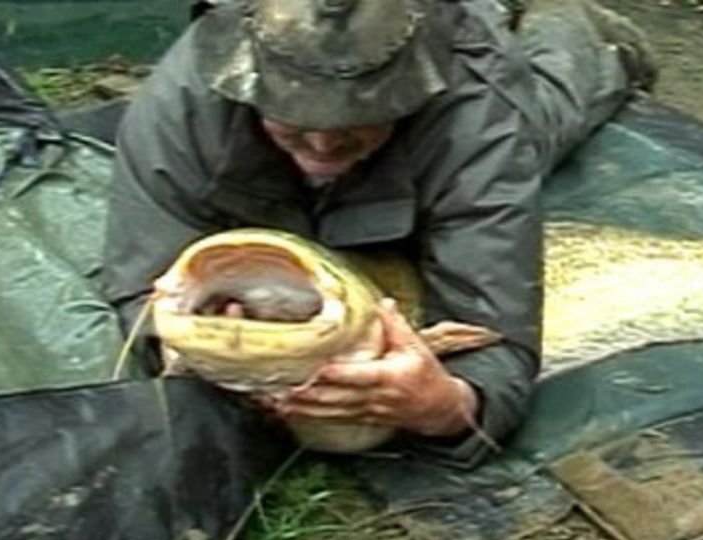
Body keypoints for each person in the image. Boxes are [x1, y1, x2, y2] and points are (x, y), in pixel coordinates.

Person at [101, 0, 656, 467]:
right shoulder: (188, 95)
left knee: (537, 124)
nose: (322, 146)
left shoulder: (473, 102)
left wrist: (446, 405)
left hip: (461, 76)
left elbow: (494, 332)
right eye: (295, 120)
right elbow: (141, 282)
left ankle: (587, 34)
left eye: (353, 122)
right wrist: (209, 355)